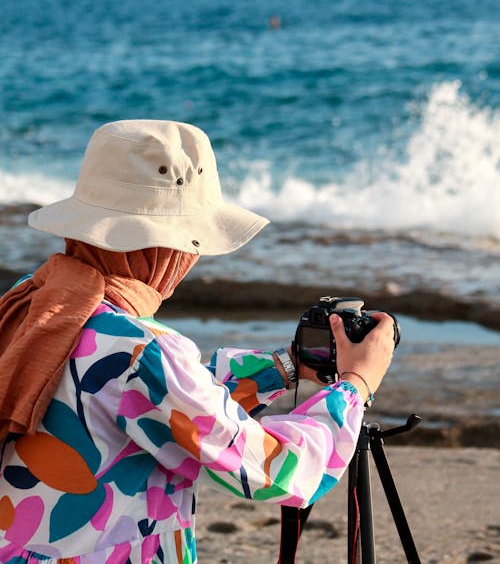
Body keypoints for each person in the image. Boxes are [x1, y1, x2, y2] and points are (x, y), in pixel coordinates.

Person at [0, 120, 394, 564]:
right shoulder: (142, 350)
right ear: (163, 248)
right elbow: (276, 471)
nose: (191, 260)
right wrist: (356, 385)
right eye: (191, 245)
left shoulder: (35, 302)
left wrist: (284, 368)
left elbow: (155, 397)